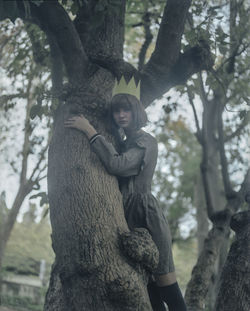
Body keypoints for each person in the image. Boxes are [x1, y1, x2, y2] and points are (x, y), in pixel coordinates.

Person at [64, 77, 187, 311]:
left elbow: (117, 165)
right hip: (124, 217)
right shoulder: (123, 140)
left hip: (147, 216)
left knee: (166, 285)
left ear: (136, 111)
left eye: (126, 110)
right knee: (147, 290)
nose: (121, 115)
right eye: (117, 110)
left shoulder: (146, 142)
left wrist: (89, 131)